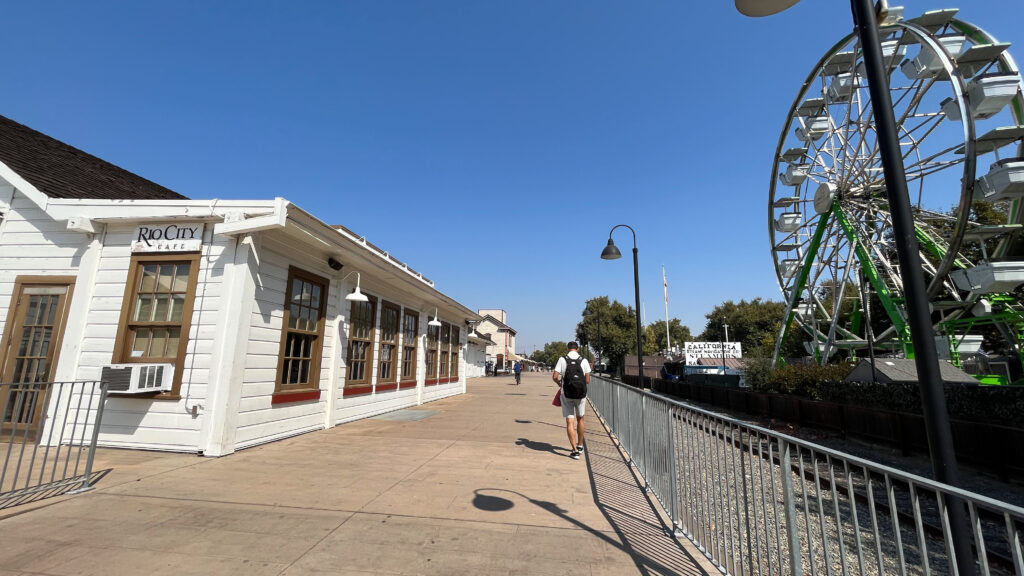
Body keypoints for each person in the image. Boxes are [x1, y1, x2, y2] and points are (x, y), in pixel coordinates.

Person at [552, 341, 591, 460]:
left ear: (567, 349)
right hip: (580, 395)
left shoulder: (562, 359)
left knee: (570, 422)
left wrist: (561, 384)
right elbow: (587, 380)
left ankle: (574, 451)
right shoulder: (584, 360)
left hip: (566, 394)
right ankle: (580, 445)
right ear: (577, 349)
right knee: (581, 419)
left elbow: (554, 376)